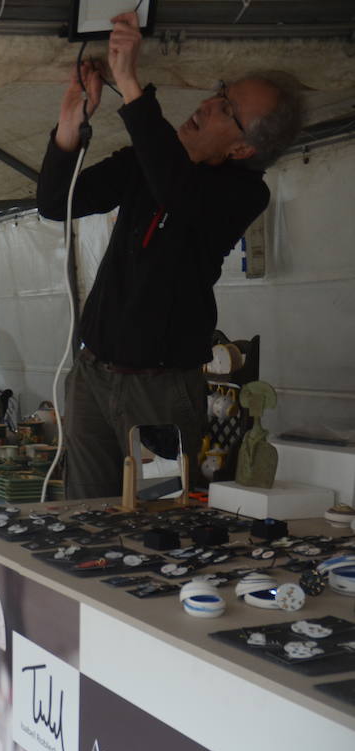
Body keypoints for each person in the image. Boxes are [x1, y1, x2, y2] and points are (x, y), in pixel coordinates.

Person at [37, 11, 304, 499]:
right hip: (94, 372)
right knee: (82, 515)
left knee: (156, 518)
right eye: (219, 92)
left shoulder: (242, 193)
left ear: (243, 148)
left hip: (158, 389)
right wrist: (68, 125)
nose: (206, 104)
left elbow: (178, 196)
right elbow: (57, 203)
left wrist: (132, 87)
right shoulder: (151, 158)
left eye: (226, 108)